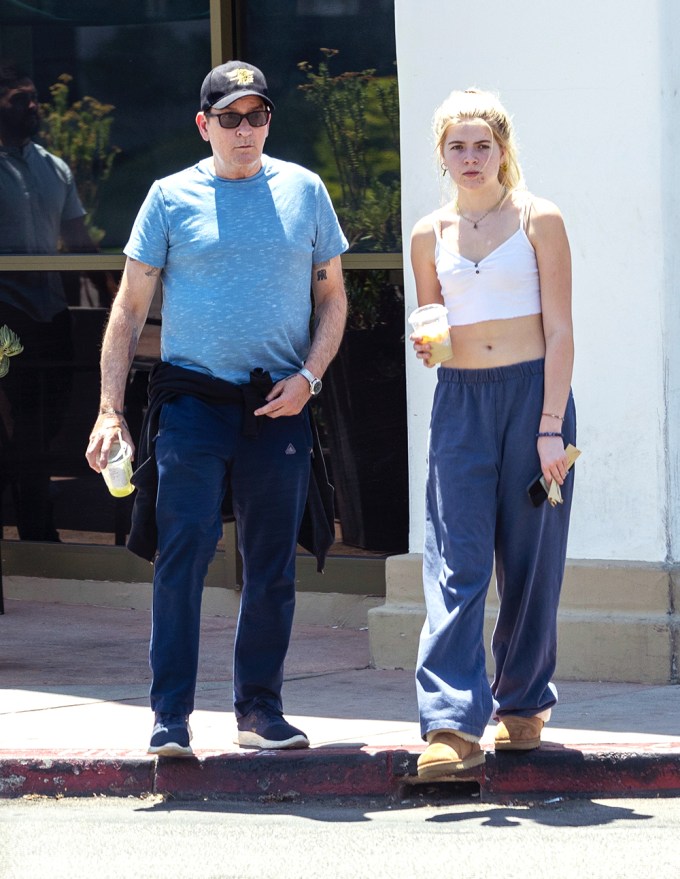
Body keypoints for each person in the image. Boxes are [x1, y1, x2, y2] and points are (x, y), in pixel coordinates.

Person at [85, 60, 348, 757]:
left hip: (278, 398)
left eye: (256, 115)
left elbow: (332, 298)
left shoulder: (305, 191)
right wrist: (110, 409)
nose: (244, 129)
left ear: (269, 121)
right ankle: (170, 714)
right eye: (229, 117)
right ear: (205, 126)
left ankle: (260, 710)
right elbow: (129, 307)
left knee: (272, 564)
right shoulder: (169, 198)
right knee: (184, 551)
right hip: (194, 397)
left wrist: (310, 378)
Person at [410, 89, 576, 780]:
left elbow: (562, 328)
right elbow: (433, 324)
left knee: (530, 558)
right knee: (457, 557)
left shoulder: (541, 218)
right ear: (442, 155)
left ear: (503, 149)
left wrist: (548, 427)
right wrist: (430, 347)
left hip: (534, 397)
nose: (471, 158)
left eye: (483, 145)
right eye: (458, 146)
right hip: (461, 403)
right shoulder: (428, 233)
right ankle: (450, 722)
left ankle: (523, 701)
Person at [0, 61, 101, 541]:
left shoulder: (52, 166)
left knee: (48, 423)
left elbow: (78, 237)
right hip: (5, 316)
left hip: (50, 314)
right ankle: (35, 532)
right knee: (22, 424)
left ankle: (35, 521)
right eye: (20, 98)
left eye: (34, 96)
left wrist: (112, 294)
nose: (33, 106)